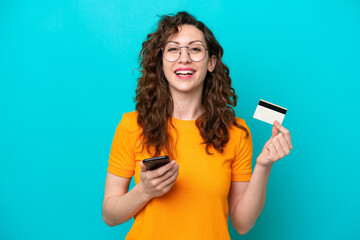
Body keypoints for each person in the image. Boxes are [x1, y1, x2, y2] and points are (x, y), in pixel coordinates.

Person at [102, 11, 292, 240]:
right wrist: (145, 191)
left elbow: (242, 224)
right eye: (173, 49)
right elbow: (110, 216)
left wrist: (263, 166)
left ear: (211, 62)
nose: (184, 58)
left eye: (195, 49)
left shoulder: (235, 132)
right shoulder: (132, 125)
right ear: (161, 62)